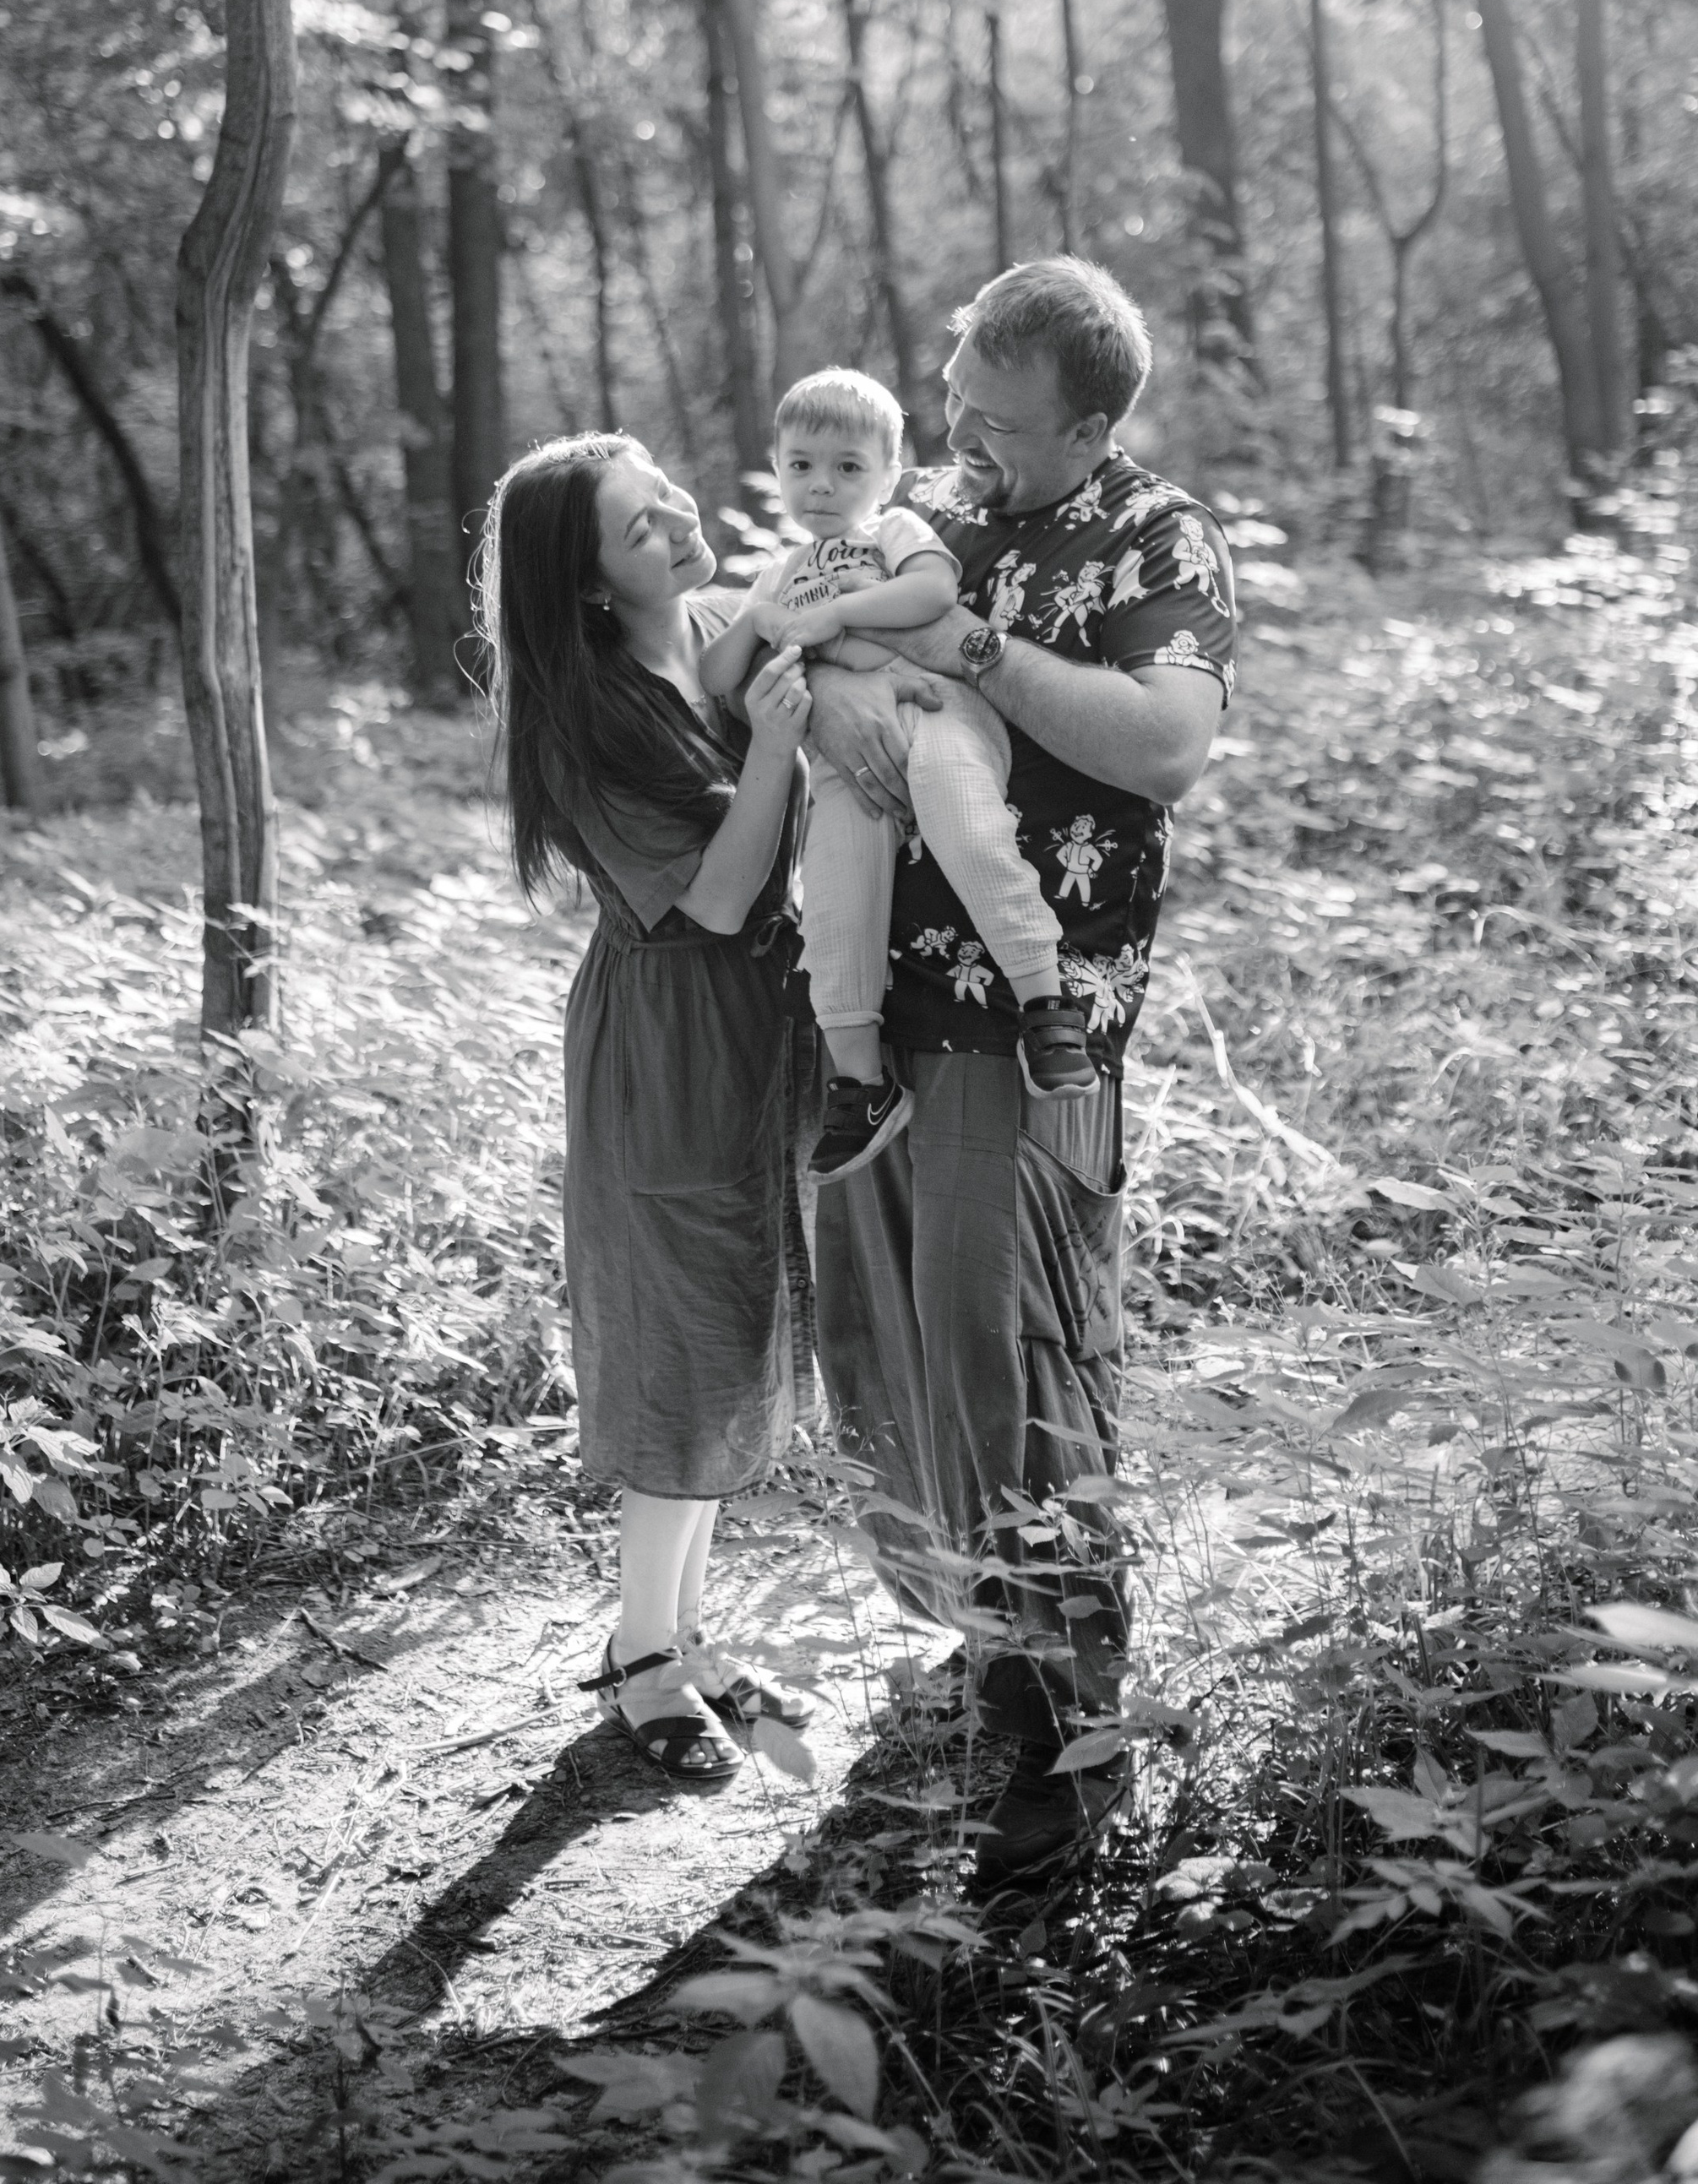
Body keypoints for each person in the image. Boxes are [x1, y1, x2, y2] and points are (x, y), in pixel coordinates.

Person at [805, 259, 1237, 1889]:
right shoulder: (936, 507)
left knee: (1023, 1348)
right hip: (877, 1008)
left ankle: (1071, 1724)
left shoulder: (1155, 535)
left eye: (996, 412)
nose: (960, 428)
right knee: (911, 1341)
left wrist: (976, 653)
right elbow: (822, 631)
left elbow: (1163, 745)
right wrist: (823, 702)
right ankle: (983, 1638)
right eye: (956, 395)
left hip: (1031, 1015)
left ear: (1091, 419)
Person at [482, 432, 819, 1785]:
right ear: (582, 584)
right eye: (637, 528)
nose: (678, 521)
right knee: (685, 1336)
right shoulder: (583, 716)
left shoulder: (719, 633)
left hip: (762, 1019)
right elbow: (724, 896)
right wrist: (783, 747)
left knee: (742, 1328)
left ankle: (682, 1633)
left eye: (666, 493)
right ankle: (639, 1661)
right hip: (672, 1035)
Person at [699, 367, 1097, 1186]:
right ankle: (861, 1080)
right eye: (801, 464)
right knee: (836, 900)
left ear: (887, 473)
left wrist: (837, 614)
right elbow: (715, 675)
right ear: (776, 468)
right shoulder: (778, 572)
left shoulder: (897, 530)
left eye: (848, 466)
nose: (821, 484)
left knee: (967, 828)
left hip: (938, 711)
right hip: (845, 758)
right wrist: (761, 618)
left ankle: (1047, 1004)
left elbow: (933, 591)